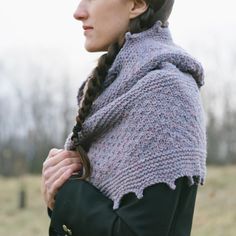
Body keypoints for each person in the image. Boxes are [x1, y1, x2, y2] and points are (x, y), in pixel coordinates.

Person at [41, 0, 207, 235]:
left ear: (136, 5)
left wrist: (65, 193)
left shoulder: (164, 93)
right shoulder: (117, 91)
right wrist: (62, 187)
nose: (78, 13)